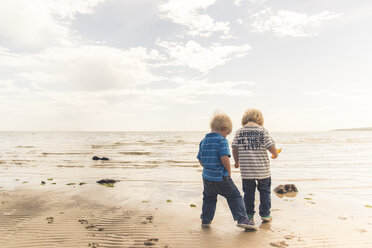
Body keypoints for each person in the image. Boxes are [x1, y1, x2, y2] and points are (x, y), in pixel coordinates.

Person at [197, 112, 255, 229]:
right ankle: (242, 218)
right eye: (226, 133)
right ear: (223, 129)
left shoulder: (203, 141)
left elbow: (200, 159)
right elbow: (224, 158)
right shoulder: (221, 141)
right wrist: (229, 172)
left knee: (209, 198)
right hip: (221, 177)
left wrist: (207, 168)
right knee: (235, 196)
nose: (226, 136)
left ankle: (206, 219)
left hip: (207, 178)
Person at [232, 109, 278, 224]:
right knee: (265, 192)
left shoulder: (239, 132)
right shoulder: (262, 131)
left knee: (248, 193)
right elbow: (271, 145)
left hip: (247, 170)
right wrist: (275, 153)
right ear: (259, 119)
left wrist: (236, 161)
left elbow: (234, 148)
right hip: (263, 170)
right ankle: (265, 214)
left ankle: (249, 214)